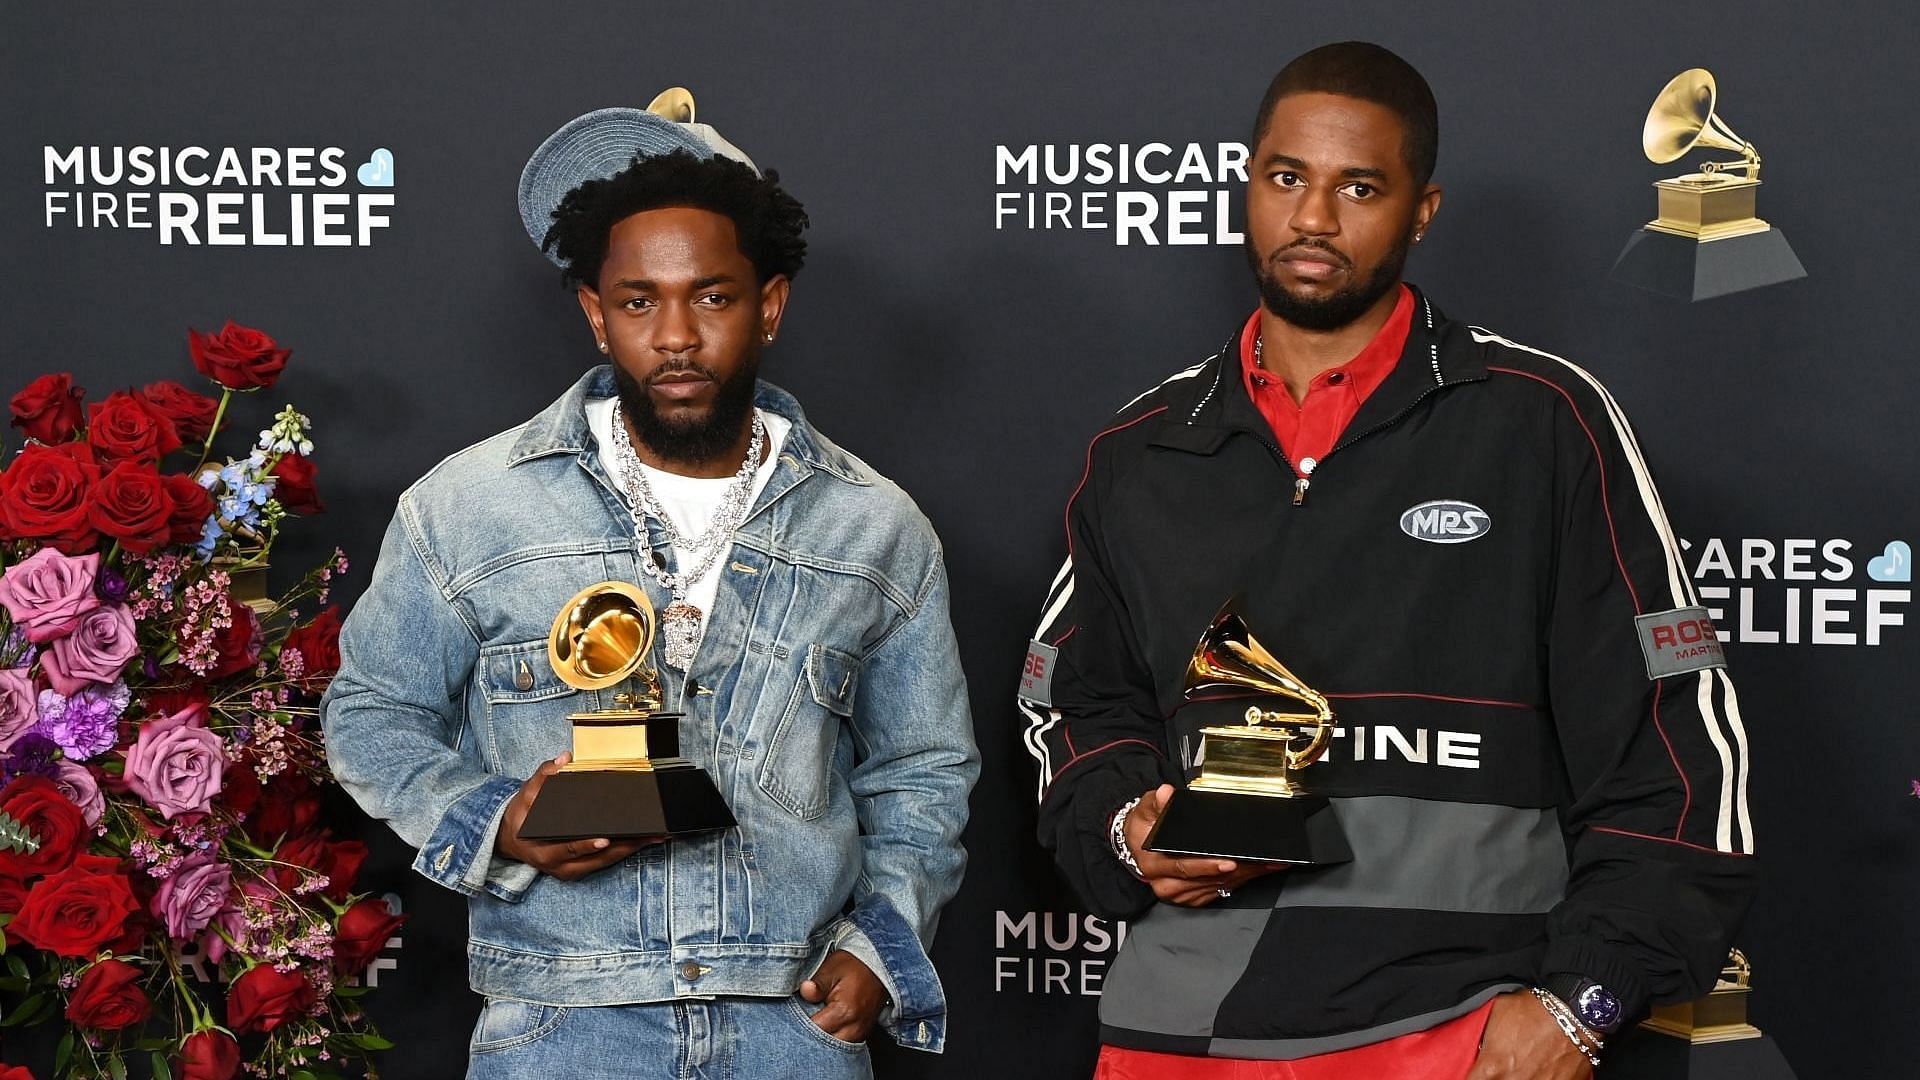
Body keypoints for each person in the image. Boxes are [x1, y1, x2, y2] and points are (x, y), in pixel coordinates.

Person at [1019, 42, 1754, 1080]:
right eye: (1286, 179)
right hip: (1184, 1034)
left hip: (1457, 1032)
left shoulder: (1542, 424)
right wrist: (1125, 824)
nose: (1313, 220)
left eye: (1359, 187)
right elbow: (1075, 712)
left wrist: (1582, 1008)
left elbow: (1677, 757)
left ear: (1423, 211)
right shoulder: (1139, 452)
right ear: (1247, 186)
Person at [323, 98, 978, 1079]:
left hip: (789, 1025)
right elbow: (370, 716)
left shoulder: (873, 525)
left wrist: (878, 944)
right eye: (639, 302)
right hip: (557, 1024)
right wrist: (497, 819)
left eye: (711, 297)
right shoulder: (466, 508)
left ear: (770, 304)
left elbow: (922, 771)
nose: (675, 336)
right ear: (596, 314)